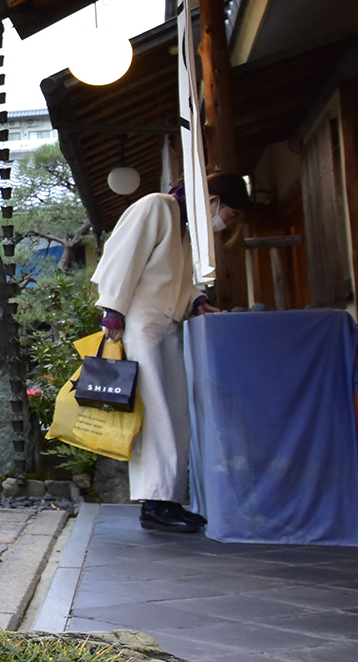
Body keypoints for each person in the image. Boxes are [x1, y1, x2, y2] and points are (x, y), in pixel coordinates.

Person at [91, 171, 249, 533]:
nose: (228, 222)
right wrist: (112, 310)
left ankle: (167, 499)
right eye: (231, 213)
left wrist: (198, 301)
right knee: (156, 412)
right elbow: (122, 256)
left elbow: (178, 279)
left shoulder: (186, 226)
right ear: (213, 201)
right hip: (139, 321)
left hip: (166, 323)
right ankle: (155, 502)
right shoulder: (157, 206)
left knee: (176, 411)